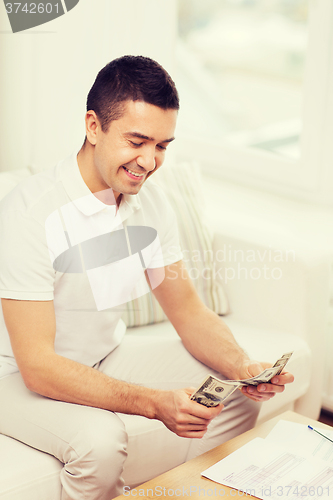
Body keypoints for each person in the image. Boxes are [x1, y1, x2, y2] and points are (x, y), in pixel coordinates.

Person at [0, 55, 293, 500]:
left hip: (100, 355)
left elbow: (190, 311)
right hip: (14, 374)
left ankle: (185, 493)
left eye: (162, 146)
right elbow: (38, 367)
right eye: (137, 141)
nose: (149, 161)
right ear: (93, 126)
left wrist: (242, 368)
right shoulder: (28, 214)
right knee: (99, 444)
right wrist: (154, 403)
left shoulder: (149, 205)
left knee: (223, 391)